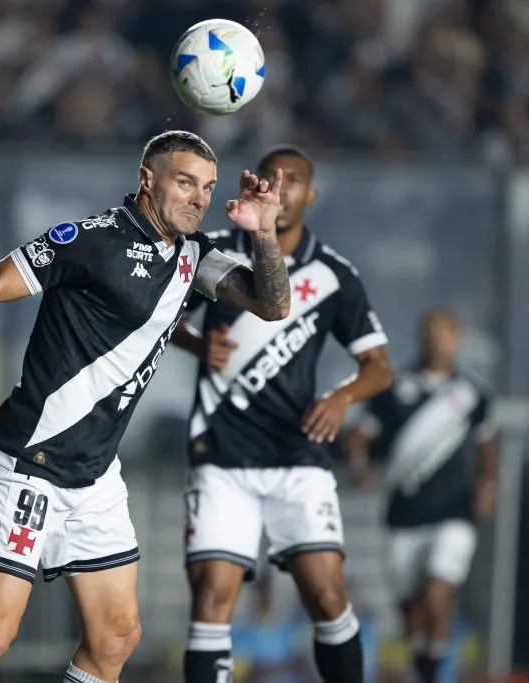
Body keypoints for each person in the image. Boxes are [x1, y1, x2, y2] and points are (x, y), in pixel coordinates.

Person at [0, 129, 293, 683]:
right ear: (146, 180)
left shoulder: (196, 258)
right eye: (183, 182)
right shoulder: (89, 239)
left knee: (116, 638)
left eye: (207, 187)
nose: (197, 197)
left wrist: (266, 233)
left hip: (95, 478)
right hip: (30, 463)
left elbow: (271, 305)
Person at [173, 145, 393, 683]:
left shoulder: (335, 274)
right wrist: (198, 345)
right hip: (223, 453)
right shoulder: (218, 250)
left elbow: (379, 366)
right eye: (272, 176)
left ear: (309, 195)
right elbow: (158, 314)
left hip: (298, 456)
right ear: (256, 185)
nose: (282, 186)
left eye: (294, 179)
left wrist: (341, 396)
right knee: (211, 598)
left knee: (326, 594)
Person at [345, 309, 496, 683]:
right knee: (411, 610)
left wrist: (488, 483)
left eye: (444, 332)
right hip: (404, 514)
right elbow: (360, 436)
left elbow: (486, 446)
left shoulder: (472, 394)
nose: (436, 340)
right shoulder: (394, 389)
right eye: (429, 331)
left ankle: (433, 672)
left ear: (457, 338)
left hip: (454, 513)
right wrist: (361, 466)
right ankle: (422, 668)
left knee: (438, 591)